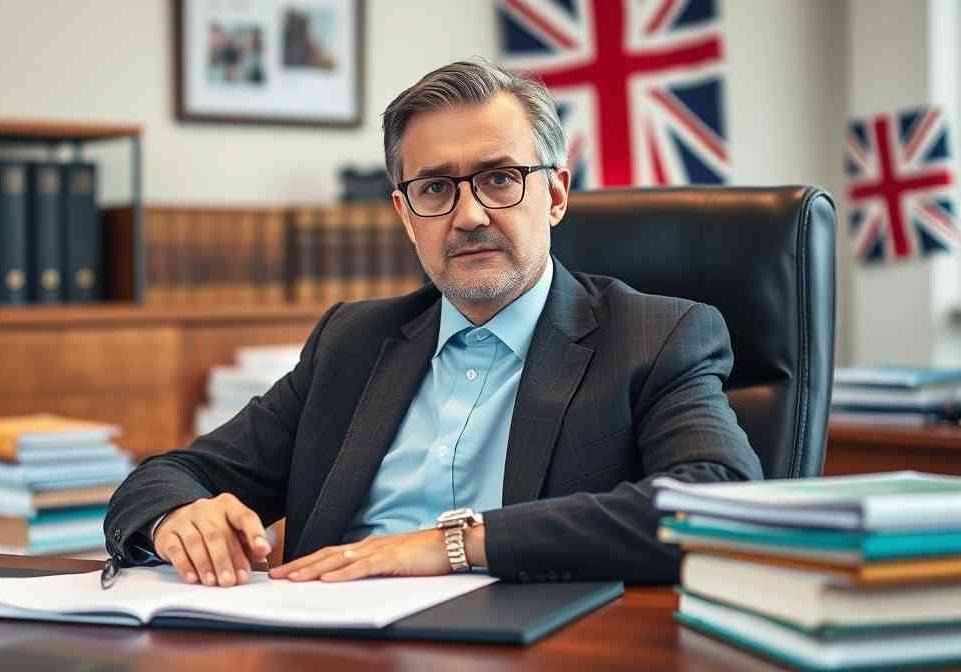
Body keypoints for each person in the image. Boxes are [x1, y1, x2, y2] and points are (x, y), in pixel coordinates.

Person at [104, 59, 763, 588]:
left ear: (556, 195)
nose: (469, 215)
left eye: (500, 179)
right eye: (435, 189)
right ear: (404, 214)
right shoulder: (352, 342)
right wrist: (177, 516)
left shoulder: (655, 337)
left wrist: (457, 544)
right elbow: (163, 478)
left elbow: (719, 503)